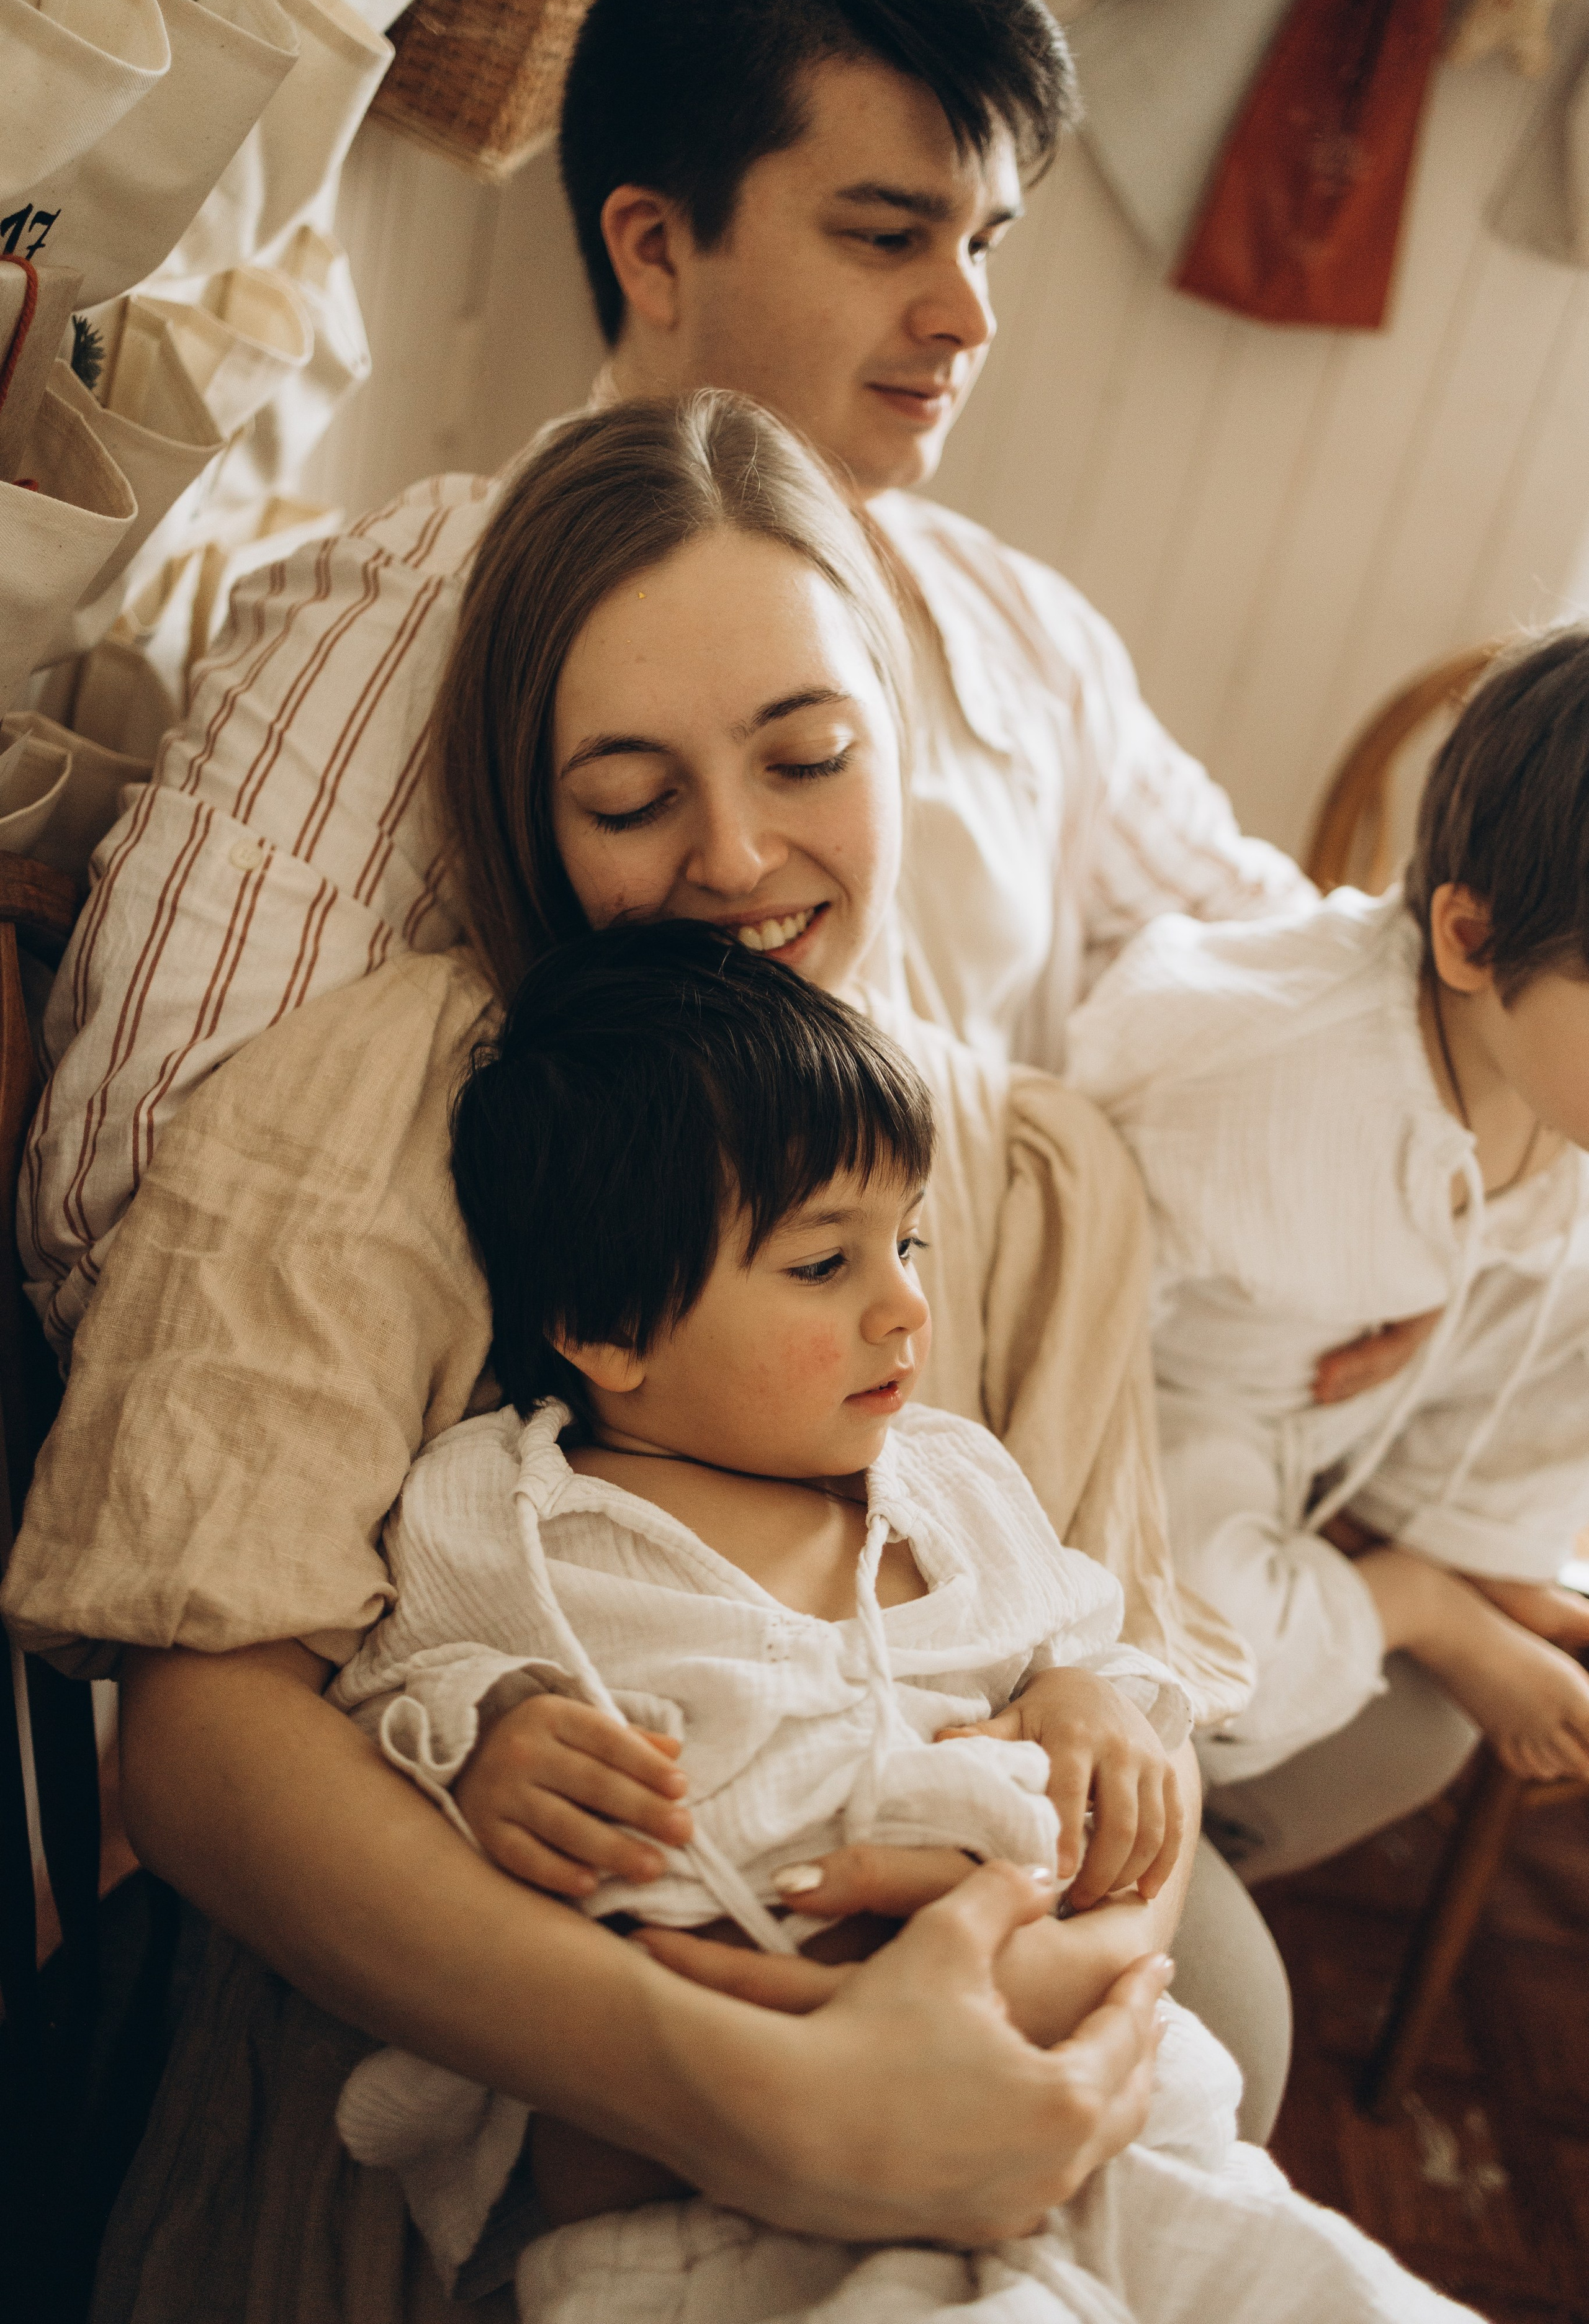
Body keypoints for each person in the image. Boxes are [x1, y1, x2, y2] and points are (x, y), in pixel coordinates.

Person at [23, 0, 1453, 1937]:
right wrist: (571, 1546)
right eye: (888, 234)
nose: (964, 314)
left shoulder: (1020, 632)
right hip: (586, 1605)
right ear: (654, 240)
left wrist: (1420, 1211)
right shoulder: (414, 611)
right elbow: (148, 1201)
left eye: (988, 242)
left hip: (970, 1528)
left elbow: (1294, 966)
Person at [4, 393, 1263, 2323]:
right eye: (628, 797)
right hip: (539, 2128)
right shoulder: (389, 1107)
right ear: (527, 813)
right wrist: (761, 2092)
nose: (736, 858)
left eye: (808, 756)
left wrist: (1053, 2029)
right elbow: (204, 1738)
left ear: (892, 748)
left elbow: (1129, 1702)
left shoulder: (1031, 1178)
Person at [327, 923, 1472, 2324]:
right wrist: (487, 1733)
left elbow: (1100, 1658)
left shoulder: (950, 1483)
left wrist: (1083, 1702)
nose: (906, 1305)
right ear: (604, 1326)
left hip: (1089, 2131)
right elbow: (392, 1689)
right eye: (824, 1265)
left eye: (909, 1241)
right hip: (714, 2215)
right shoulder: (506, 1514)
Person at [1068, 630, 1589, 1815]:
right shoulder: (1270, 1067)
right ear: (1469, 939)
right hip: (1186, 1396)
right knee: (1190, 1651)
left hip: (1393, 1369)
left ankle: (1458, 1536)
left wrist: (1436, 1282)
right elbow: (1092, 1146)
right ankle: (1418, 1595)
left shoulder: (1551, 1084)